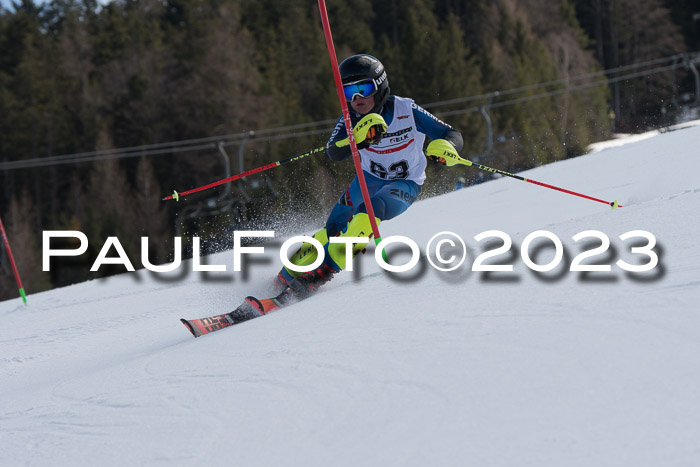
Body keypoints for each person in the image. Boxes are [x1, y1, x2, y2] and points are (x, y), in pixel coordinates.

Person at [261, 54, 464, 310]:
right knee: (333, 228)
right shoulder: (349, 119)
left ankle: (323, 272)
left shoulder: (405, 109)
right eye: (349, 92)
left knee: (369, 211)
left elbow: (450, 133)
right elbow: (333, 151)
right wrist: (356, 139)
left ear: (380, 87)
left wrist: (447, 147)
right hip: (368, 180)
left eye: (363, 89)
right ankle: (284, 278)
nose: (357, 99)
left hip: (405, 183)